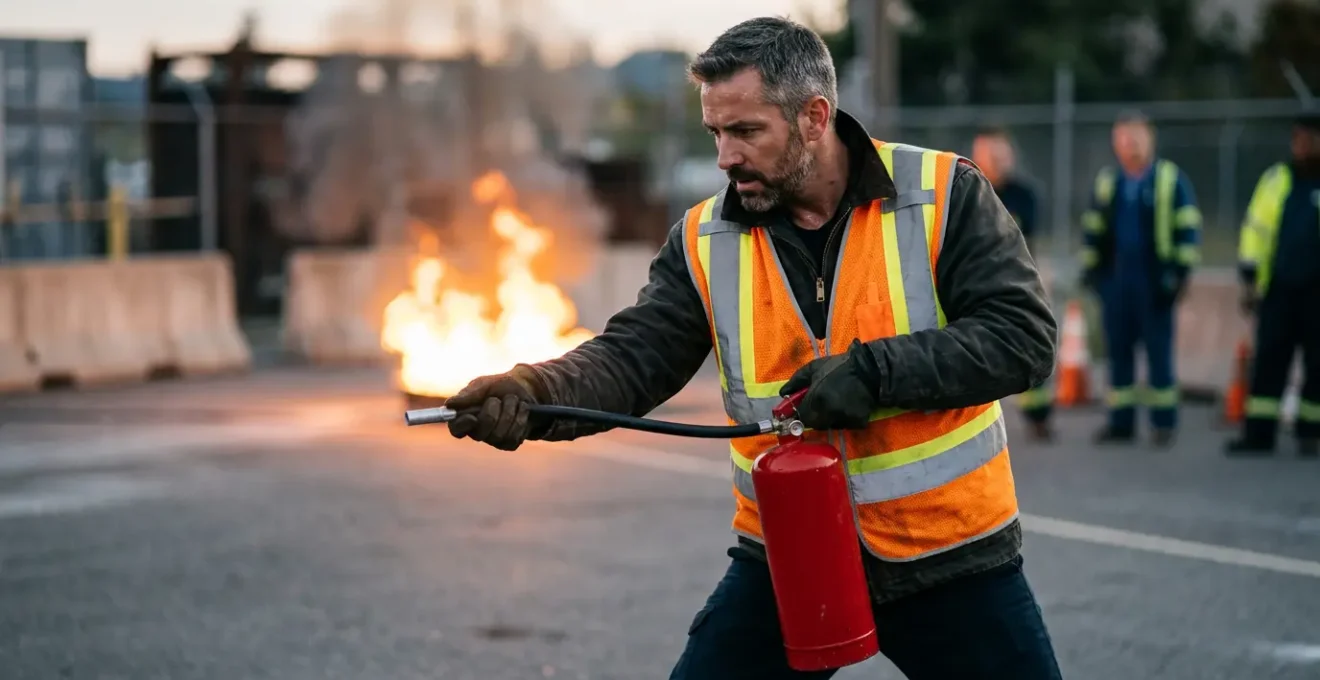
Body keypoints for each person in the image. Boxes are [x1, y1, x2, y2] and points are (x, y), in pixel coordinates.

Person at [442, 17, 1063, 680]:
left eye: (745, 132)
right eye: (715, 133)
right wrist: (534, 393)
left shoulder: (942, 194)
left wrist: (876, 372)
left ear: (815, 118)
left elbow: (1021, 336)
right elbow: (632, 356)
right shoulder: (705, 238)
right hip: (787, 551)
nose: (724, 157)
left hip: (949, 555)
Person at [1079, 111, 1201, 447]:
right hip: (1117, 282)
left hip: (1153, 281)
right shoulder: (1109, 182)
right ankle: (1121, 424)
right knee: (1118, 353)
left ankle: (1164, 424)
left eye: (1136, 137)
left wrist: (1179, 274)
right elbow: (1093, 229)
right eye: (1123, 138)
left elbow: (1188, 227)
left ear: (1151, 139)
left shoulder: (1169, 180)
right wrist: (1092, 272)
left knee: (1158, 353)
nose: (1129, 145)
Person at [1226, 113, 1320, 458]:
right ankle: (1259, 434)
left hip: (1316, 295)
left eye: (1308, 138)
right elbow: (1256, 231)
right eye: (1297, 138)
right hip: (1279, 290)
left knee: (1318, 366)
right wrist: (1249, 280)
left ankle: (1311, 433)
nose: (1301, 144)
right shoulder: (1278, 179)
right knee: (1268, 363)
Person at [973, 127, 1054, 442]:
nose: (994, 160)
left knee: (1028, 348)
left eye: (999, 153)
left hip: (1016, 283)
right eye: (987, 153)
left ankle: (1039, 419)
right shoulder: (969, 190)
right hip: (975, 283)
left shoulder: (1024, 195)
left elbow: (1025, 232)